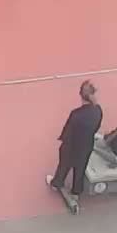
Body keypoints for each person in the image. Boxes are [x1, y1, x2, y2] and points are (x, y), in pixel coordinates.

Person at [46, 79, 102, 208]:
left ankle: (57, 183)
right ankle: (76, 191)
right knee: (80, 168)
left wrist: (63, 141)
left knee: (64, 165)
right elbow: (96, 127)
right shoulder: (98, 110)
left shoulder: (76, 114)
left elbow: (68, 132)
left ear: (80, 95)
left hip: (72, 146)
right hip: (86, 144)